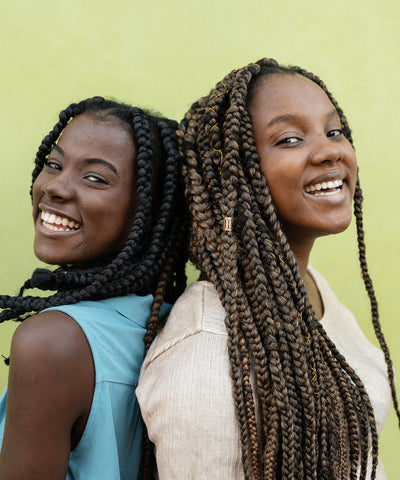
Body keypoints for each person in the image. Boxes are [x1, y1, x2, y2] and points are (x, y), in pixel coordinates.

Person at [137, 59, 400, 479]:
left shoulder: (306, 287)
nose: (331, 150)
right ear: (233, 177)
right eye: (291, 139)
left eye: (335, 132)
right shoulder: (206, 357)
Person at [0, 96, 187, 480]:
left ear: (148, 211)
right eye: (54, 165)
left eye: (95, 179)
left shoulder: (54, 341)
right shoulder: (171, 321)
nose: (55, 187)